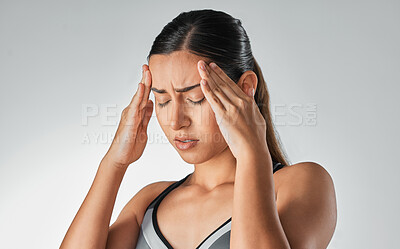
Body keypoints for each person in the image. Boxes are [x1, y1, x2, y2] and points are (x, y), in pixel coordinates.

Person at [60, 9, 337, 249]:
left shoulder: (302, 183)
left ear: (245, 88)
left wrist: (252, 154)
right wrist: (114, 163)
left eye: (195, 99)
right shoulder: (149, 202)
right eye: (163, 100)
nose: (176, 121)